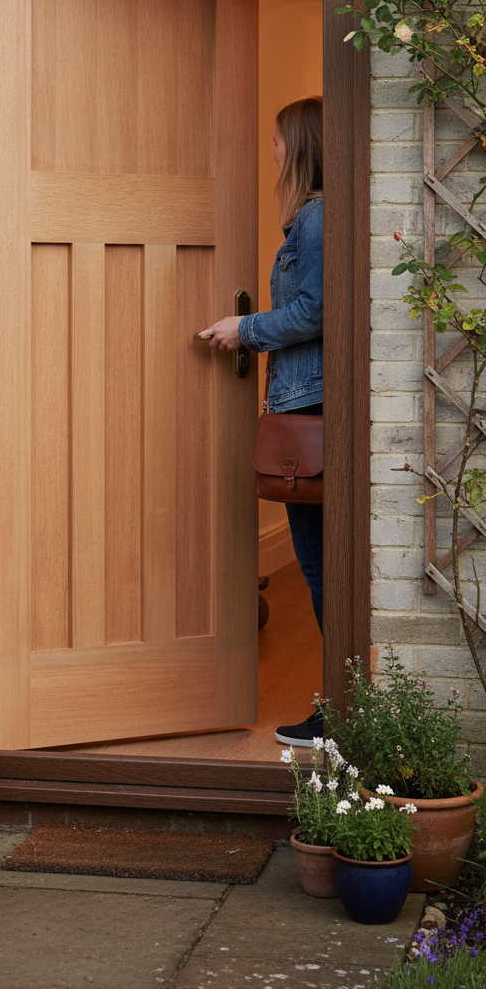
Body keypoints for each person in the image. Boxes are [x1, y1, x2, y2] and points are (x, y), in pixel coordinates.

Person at [199, 95, 324, 747]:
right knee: (317, 562)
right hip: (302, 402)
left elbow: (313, 311)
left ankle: (342, 711)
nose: (272, 152)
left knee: (321, 564)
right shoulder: (309, 219)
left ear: (301, 146)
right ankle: (343, 706)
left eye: (278, 142)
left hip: (310, 408)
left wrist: (244, 329)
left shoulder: (317, 218)